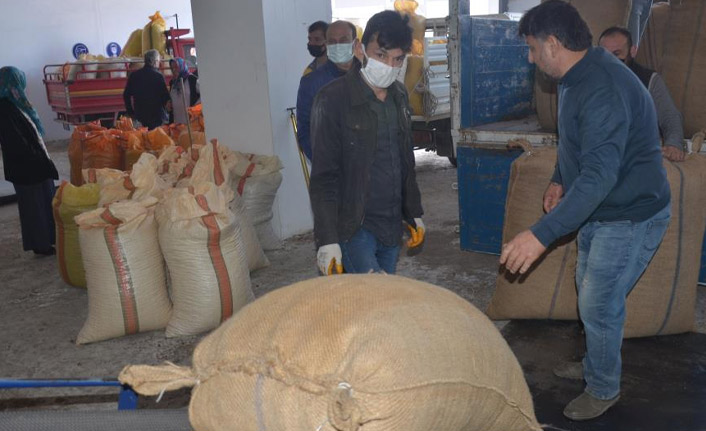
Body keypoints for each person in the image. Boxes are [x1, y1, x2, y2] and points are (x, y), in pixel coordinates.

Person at [500, 0, 671, 421]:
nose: (530, 58)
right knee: (588, 289)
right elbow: (576, 141)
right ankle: (597, 359)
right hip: (603, 208)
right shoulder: (574, 75)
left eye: (532, 49)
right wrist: (560, 176)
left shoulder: (604, 88)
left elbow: (598, 177)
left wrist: (540, 234)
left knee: (599, 302)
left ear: (554, 44)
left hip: (630, 213)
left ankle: (603, 387)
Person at [309, 10, 424, 276]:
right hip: (355, 226)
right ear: (360, 49)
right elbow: (324, 177)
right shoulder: (332, 99)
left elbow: (405, 160)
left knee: (377, 305)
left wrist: (413, 212)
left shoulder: (399, 95)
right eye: (380, 55)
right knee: (374, 301)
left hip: (391, 225)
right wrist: (327, 239)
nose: (389, 66)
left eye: (397, 59)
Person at [598, 26, 685, 162]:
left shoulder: (649, 80)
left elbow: (670, 116)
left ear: (632, 51)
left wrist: (674, 144)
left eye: (616, 54)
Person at [0, 66, 59, 256]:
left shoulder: (16, 103)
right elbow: (16, 143)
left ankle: (49, 238)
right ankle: (40, 245)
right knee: (34, 207)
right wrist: (38, 159)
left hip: (35, 164)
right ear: (12, 84)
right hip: (26, 167)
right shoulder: (5, 109)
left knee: (44, 201)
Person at [296, 20, 360, 160]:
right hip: (333, 171)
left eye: (343, 41)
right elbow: (304, 130)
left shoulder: (370, 76)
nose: (338, 46)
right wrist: (324, 163)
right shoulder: (311, 83)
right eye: (332, 41)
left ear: (355, 43)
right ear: (326, 45)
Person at [123, 49, 170, 130]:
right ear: (155, 61)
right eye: (159, 61)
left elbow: (126, 95)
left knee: (142, 139)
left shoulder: (134, 75)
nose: (159, 63)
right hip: (156, 117)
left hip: (140, 116)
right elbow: (165, 97)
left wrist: (131, 112)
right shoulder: (158, 76)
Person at [167, 57, 200, 125]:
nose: (173, 70)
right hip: (177, 121)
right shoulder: (173, 83)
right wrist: (169, 104)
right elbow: (172, 98)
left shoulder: (192, 80)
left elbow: (204, 95)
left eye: (176, 67)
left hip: (191, 121)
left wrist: (195, 107)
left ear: (182, 66)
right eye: (172, 68)